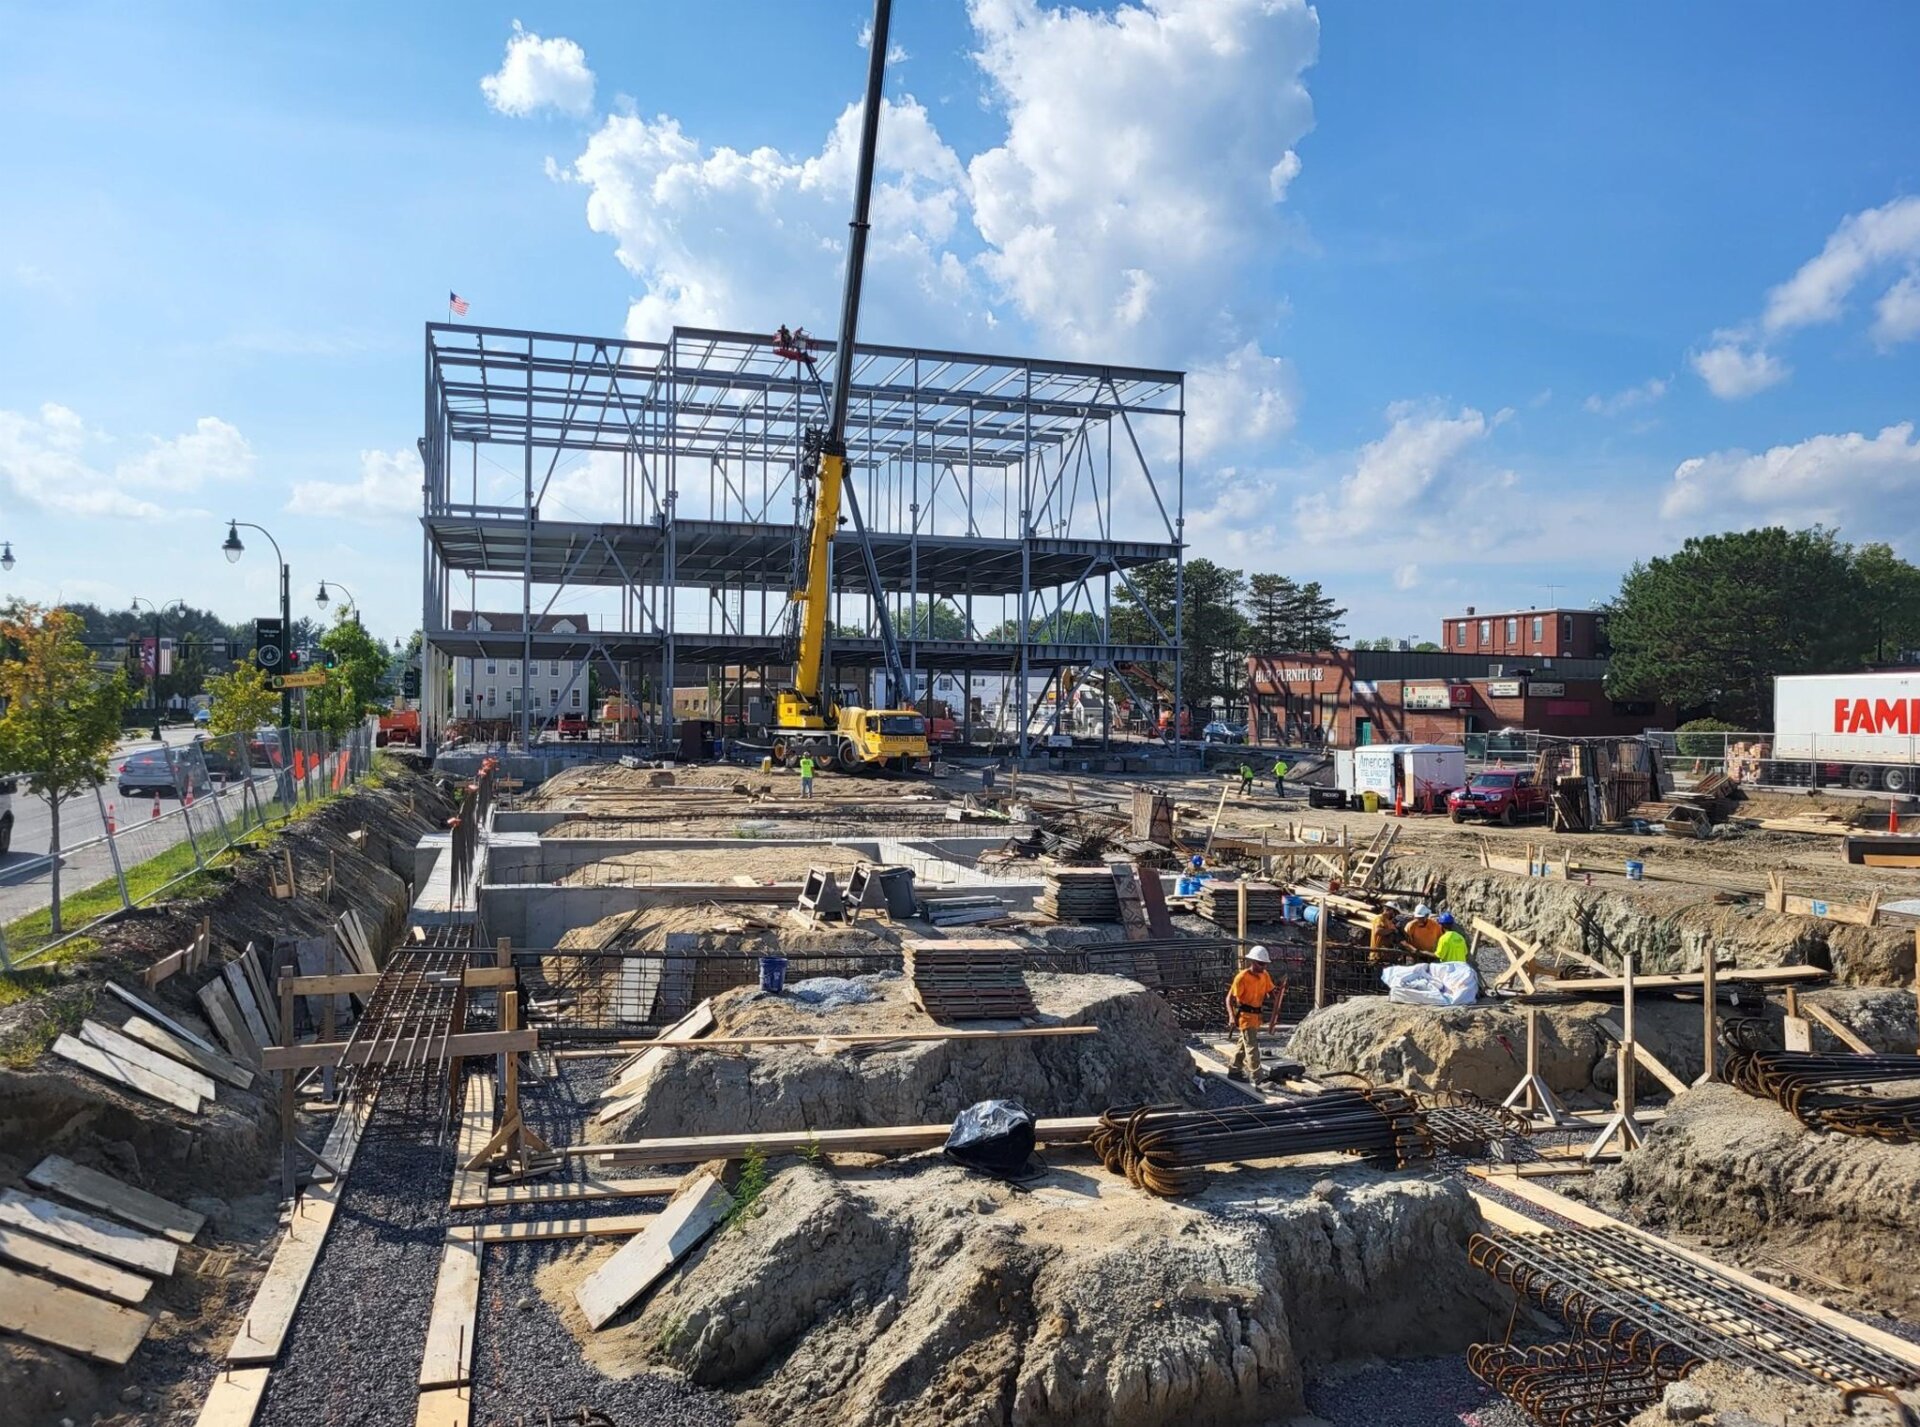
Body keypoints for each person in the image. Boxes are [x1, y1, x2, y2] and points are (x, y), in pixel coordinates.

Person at [1225, 945, 1276, 1082]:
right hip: (1245, 1017)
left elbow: (1271, 991)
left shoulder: (1265, 975)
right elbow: (1230, 998)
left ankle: (1234, 1070)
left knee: (1244, 1044)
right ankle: (1257, 1078)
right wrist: (1231, 1016)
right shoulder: (1242, 978)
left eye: (1265, 964)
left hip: (1256, 1017)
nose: (1263, 966)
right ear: (1252, 961)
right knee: (1252, 1047)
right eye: (1261, 963)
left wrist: (1277, 994)